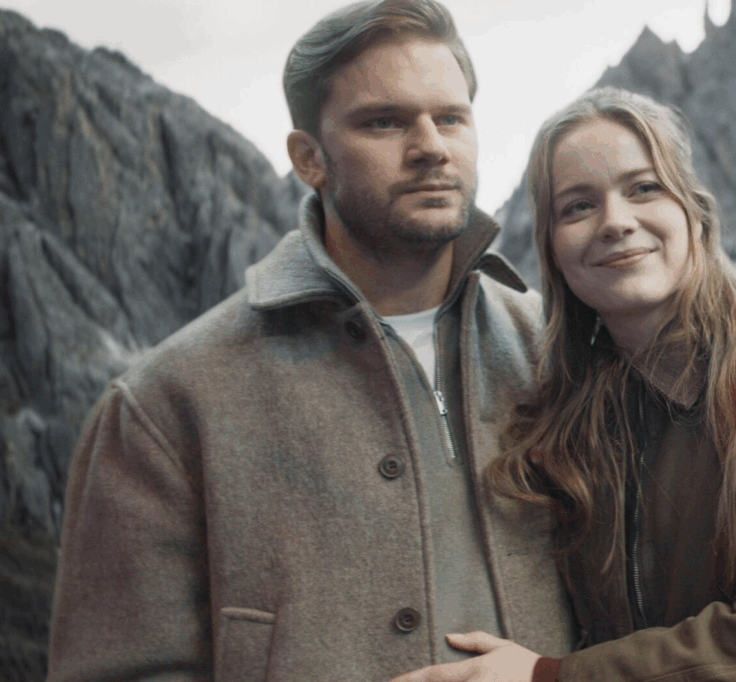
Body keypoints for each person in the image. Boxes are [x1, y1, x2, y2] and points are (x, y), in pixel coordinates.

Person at [44, 1, 574, 680]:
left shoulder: (558, 355)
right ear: (308, 158)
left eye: (450, 118)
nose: (430, 146)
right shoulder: (165, 405)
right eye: (384, 121)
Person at [393, 87, 736, 682]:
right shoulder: (569, 409)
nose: (615, 223)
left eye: (643, 188)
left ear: (693, 211)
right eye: (577, 207)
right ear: (554, 249)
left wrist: (550, 678)